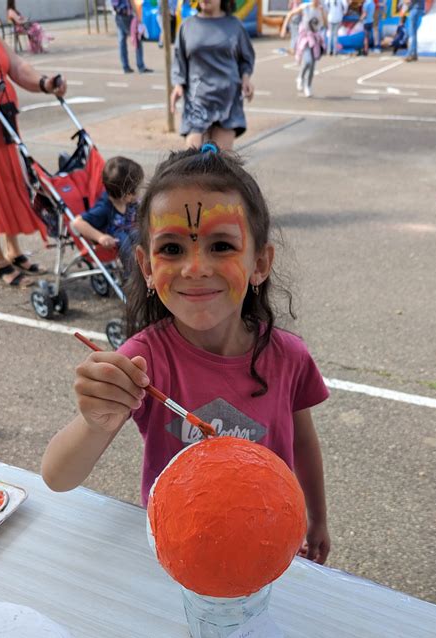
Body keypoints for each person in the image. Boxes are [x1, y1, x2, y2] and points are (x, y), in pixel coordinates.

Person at [42, 146, 331, 566]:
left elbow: (303, 443)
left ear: (260, 262)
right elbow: (56, 476)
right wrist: (93, 422)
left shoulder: (288, 356)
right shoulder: (143, 361)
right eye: (172, 249)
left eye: (221, 245)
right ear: (145, 266)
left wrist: (317, 518)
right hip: (181, 550)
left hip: (270, 544)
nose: (195, 268)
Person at [0, 19, 67, 287]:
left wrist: (46, 83)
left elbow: (16, 66)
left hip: (3, 122)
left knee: (11, 184)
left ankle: (14, 250)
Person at [170, 0, 255, 151]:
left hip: (227, 103)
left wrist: (246, 78)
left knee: (220, 165)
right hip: (196, 103)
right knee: (192, 164)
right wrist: (178, 85)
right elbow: (179, 60)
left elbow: (246, 58)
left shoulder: (235, 26)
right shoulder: (187, 26)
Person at [72, 156, 144, 273]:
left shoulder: (130, 201)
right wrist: (100, 237)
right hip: (118, 243)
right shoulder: (104, 208)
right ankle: (134, 275)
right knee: (125, 238)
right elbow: (77, 223)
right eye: (135, 189)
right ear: (125, 194)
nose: (138, 193)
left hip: (133, 235)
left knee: (142, 234)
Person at [281, 0, 327, 97]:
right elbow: (290, 14)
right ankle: (300, 77)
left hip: (315, 39)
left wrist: (323, 12)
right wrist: (284, 28)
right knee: (307, 61)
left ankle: (308, 86)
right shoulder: (305, 7)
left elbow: (326, 24)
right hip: (305, 37)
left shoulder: (321, 9)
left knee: (312, 66)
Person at [111, 0, 153, 74]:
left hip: (118, 15)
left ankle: (125, 66)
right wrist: (137, 15)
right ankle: (140, 66)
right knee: (137, 41)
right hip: (127, 15)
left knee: (122, 42)